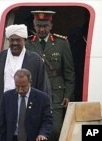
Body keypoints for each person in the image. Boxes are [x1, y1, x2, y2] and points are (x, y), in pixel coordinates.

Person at [0, 24, 50, 141]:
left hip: (25, 108)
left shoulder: (35, 60)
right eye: (11, 40)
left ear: (25, 40)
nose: (14, 43)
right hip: (0, 108)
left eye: (18, 40)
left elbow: (42, 88)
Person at [26, 10, 75, 141]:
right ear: (34, 25)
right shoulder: (27, 43)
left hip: (56, 94)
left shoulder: (62, 43)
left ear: (51, 26)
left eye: (45, 26)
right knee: (34, 128)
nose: (41, 29)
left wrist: (68, 95)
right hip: (34, 90)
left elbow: (69, 72)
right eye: (38, 26)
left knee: (55, 129)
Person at [0, 69, 53, 141]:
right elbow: (2, 123)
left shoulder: (42, 98)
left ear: (30, 83)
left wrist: (43, 134)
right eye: (17, 86)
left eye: (23, 86)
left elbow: (47, 121)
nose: (20, 90)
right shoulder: (7, 97)